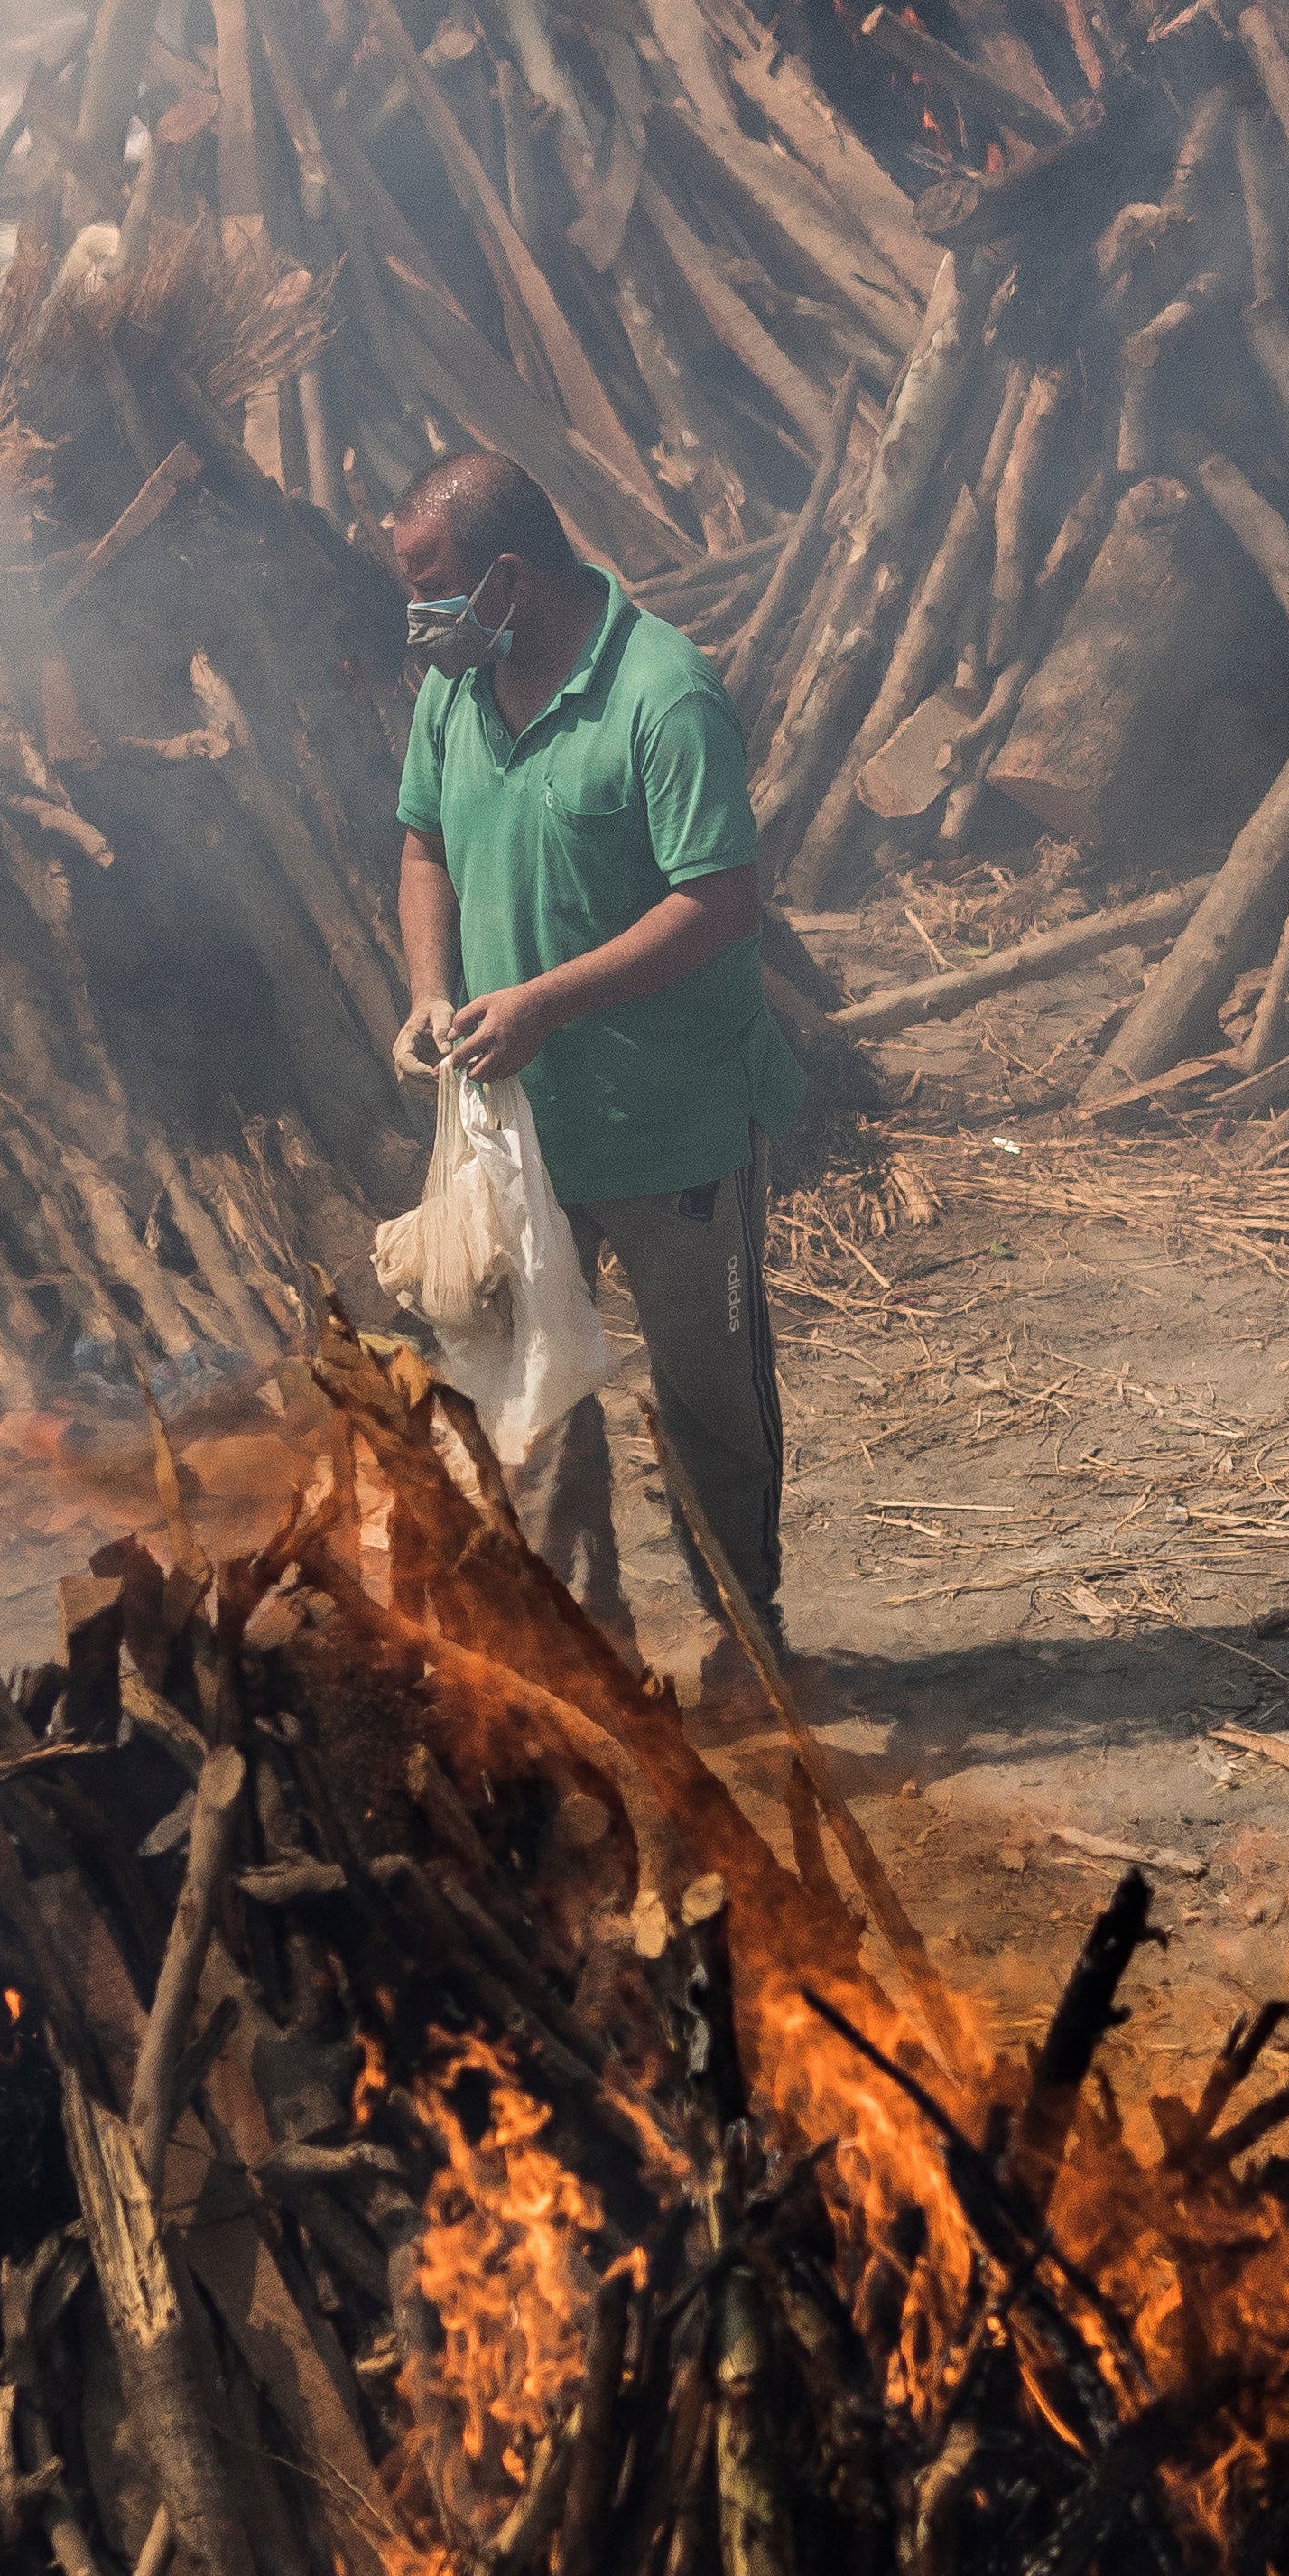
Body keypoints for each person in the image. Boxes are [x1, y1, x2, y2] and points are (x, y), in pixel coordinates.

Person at [385, 450, 805, 1691]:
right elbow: (421, 845)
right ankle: (591, 1652)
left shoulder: (661, 696)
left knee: (706, 1406)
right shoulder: (455, 689)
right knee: (531, 1399)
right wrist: (427, 989)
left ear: (509, 576)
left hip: (671, 1123)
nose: (419, 621)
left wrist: (546, 1000)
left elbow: (720, 899)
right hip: (524, 1125)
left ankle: (746, 1634)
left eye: (433, 588)